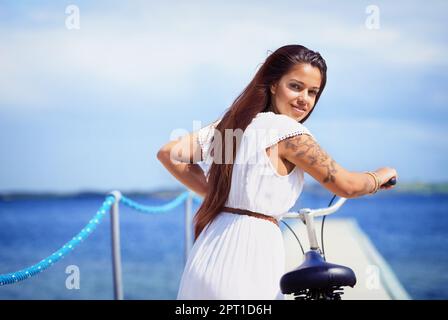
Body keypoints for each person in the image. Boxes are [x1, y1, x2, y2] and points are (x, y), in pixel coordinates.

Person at [157, 44, 398, 300]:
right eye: (295, 86)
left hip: (207, 251)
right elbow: (346, 185)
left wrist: (220, 195)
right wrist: (381, 175)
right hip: (250, 257)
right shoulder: (289, 133)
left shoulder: (232, 124)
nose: (304, 98)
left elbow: (169, 153)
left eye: (313, 92)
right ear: (273, 85)